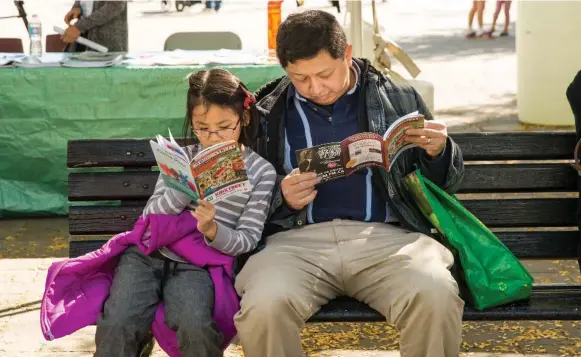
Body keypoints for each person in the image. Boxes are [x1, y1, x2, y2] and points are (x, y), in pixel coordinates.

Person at [234, 10, 465, 357]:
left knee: (434, 292)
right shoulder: (264, 111)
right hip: (294, 244)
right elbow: (238, 196)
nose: (316, 87)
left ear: (347, 53)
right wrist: (279, 196)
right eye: (300, 78)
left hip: (389, 241)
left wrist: (440, 152)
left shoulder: (399, 99)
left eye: (324, 74)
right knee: (264, 306)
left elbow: (443, 188)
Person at [93, 69, 277, 357]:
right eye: (202, 128)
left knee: (195, 326)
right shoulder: (183, 157)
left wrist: (213, 230)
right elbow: (149, 216)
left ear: (244, 118)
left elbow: (248, 238)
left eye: (225, 127)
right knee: (117, 323)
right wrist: (182, 189)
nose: (213, 137)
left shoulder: (260, 171)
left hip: (197, 264)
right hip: (147, 255)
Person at [62, 1, 128, 52]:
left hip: (106, 44)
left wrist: (80, 26)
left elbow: (115, 5)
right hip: (83, 36)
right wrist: (77, 6)